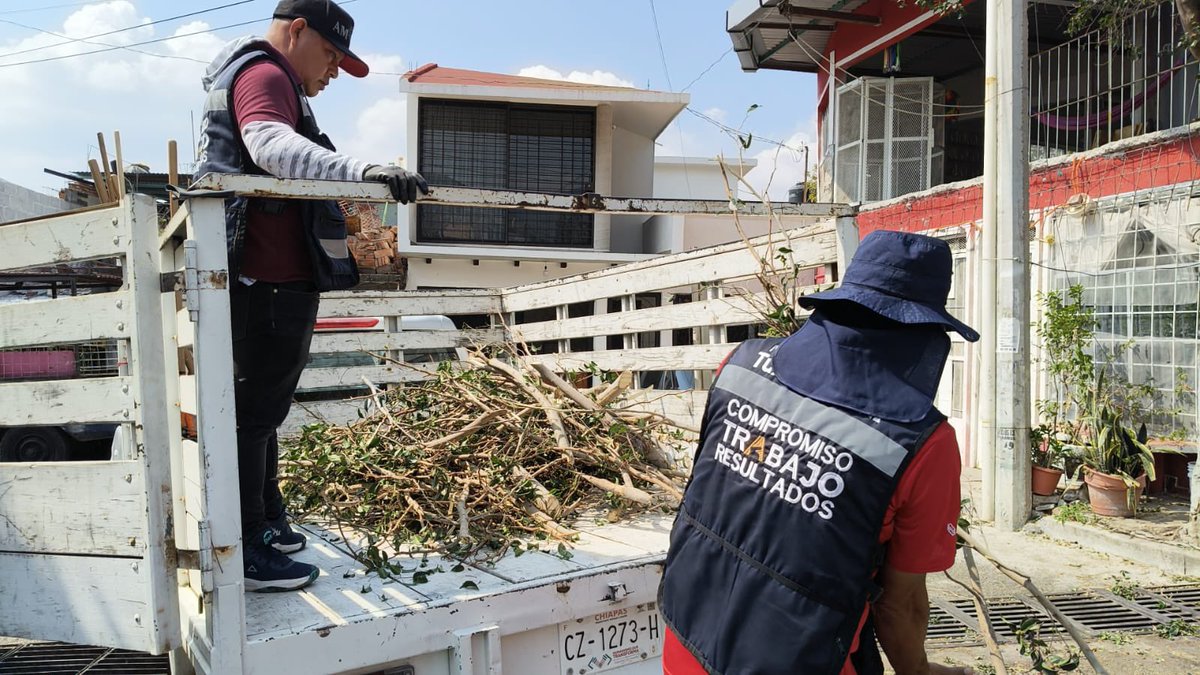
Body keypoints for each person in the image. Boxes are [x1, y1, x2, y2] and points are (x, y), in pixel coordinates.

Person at [659, 231, 978, 675]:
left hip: (685, 645)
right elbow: (899, 603)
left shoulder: (739, 364)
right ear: (925, 331)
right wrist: (920, 671)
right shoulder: (921, 442)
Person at [194, 0, 427, 593]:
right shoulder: (266, 73)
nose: (329, 73)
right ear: (297, 30)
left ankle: (267, 524)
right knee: (251, 416)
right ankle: (248, 551)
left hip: (268, 279)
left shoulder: (262, 74)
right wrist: (365, 171)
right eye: (329, 55)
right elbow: (269, 144)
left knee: (264, 411)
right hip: (260, 279)